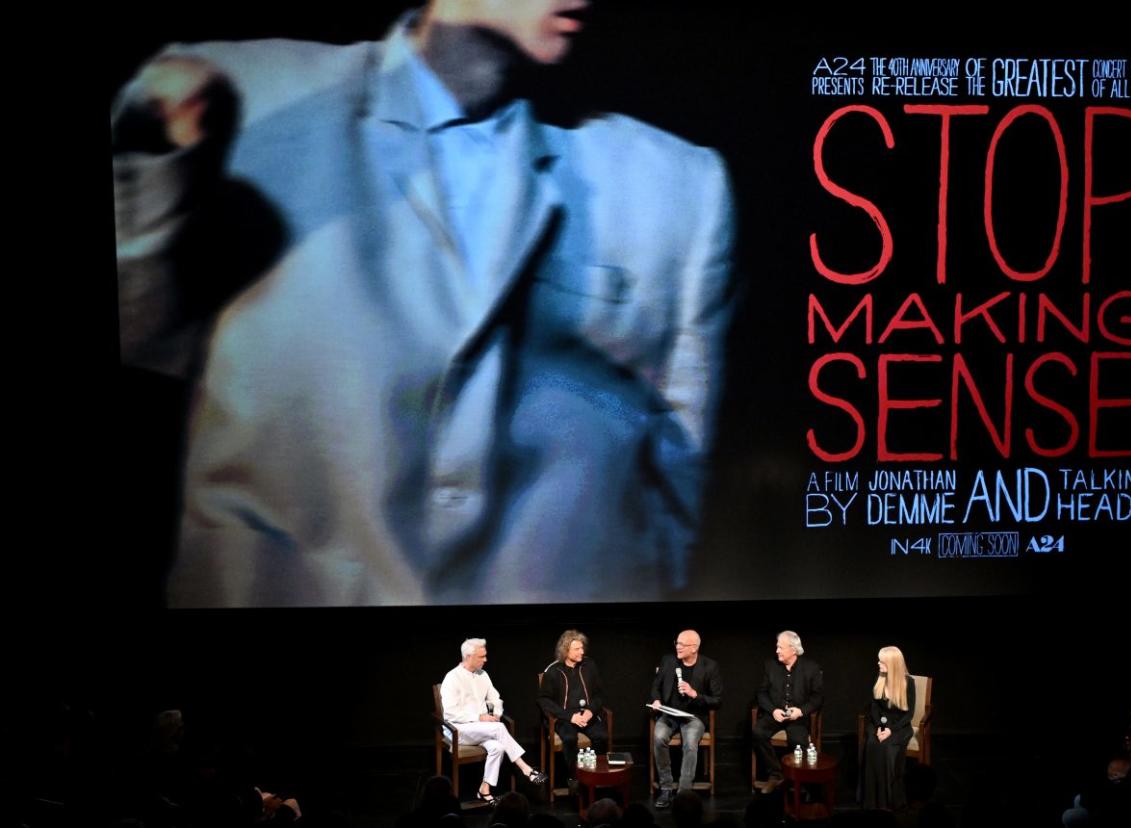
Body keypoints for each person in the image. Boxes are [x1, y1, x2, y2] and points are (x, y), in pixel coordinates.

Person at [112, 0, 736, 607]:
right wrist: (157, 167)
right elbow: (143, 343)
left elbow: (681, 458)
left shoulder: (676, 181)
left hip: (545, 653)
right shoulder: (247, 93)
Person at [439, 638, 547, 802]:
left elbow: (495, 698)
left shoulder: (483, 675)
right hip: (458, 730)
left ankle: (484, 789)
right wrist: (479, 717)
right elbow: (450, 714)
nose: (486, 660)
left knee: (497, 747)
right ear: (468, 657)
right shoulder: (452, 678)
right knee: (499, 728)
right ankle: (526, 769)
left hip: (480, 728)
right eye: (481, 657)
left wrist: (496, 713)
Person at [649, 630, 722, 808]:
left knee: (690, 743)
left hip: (693, 717)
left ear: (694, 648)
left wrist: (694, 694)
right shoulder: (668, 660)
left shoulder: (709, 666)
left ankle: (684, 792)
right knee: (658, 738)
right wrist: (656, 700)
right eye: (677, 643)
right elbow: (655, 687)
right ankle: (666, 788)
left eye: (682, 644)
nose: (678, 647)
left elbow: (717, 700)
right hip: (669, 714)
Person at [536, 629, 608, 792]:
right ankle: (575, 777)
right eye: (577, 649)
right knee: (569, 738)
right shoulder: (553, 671)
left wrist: (590, 711)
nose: (582, 652)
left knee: (601, 736)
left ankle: (594, 774)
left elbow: (599, 694)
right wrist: (570, 716)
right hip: (565, 717)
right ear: (565, 650)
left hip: (587, 714)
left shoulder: (589, 666)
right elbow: (543, 699)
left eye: (582, 648)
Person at [752, 630, 823, 794]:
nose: (777, 650)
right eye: (777, 647)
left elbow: (817, 698)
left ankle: (796, 779)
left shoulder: (811, 668)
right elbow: (761, 693)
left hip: (797, 717)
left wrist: (800, 711)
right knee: (758, 732)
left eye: (780, 647)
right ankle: (775, 774)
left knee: (798, 741)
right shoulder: (770, 665)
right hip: (775, 715)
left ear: (793, 649)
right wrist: (773, 710)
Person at [860, 645, 916, 810]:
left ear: (892, 664)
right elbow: (874, 707)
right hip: (879, 723)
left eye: (882, 661)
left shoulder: (908, 682)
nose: (878, 663)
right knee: (872, 745)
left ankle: (888, 800)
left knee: (886, 749)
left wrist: (891, 729)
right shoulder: (880, 678)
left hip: (900, 726)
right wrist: (879, 726)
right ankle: (871, 802)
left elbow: (909, 715)